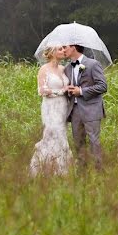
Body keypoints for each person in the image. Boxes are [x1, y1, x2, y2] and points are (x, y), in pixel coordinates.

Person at [29, 45, 73, 176]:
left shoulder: (63, 69)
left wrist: (69, 89)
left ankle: (61, 169)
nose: (63, 51)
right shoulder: (44, 69)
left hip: (63, 108)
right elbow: (42, 91)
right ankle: (43, 168)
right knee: (51, 135)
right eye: (60, 49)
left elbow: (66, 87)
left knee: (62, 135)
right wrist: (61, 91)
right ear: (53, 53)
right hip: (50, 107)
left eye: (64, 49)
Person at [62, 44, 107, 171]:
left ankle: (99, 171)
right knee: (78, 142)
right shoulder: (67, 68)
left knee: (94, 141)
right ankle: (82, 172)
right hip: (75, 110)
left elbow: (103, 86)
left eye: (66, 47)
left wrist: (81, 91)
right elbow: (70, 88)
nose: (64, 50)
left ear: (74, 48)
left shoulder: (93, 64)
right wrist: (69, 91)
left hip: (91, 109)